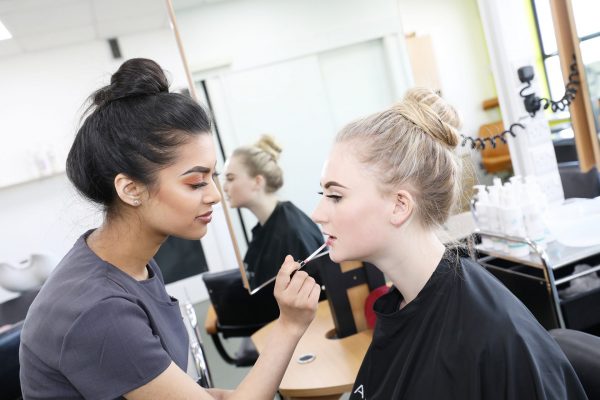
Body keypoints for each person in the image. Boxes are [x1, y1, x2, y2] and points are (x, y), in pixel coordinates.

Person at [19, 58, 321, 400]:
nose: (214, 196)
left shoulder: (133, 266)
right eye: (195, 183)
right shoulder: (98, 310)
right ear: (130, 189)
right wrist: (290, 325)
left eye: (214, 178)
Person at [311, 88, 588, 400]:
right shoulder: (401, 306)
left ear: (400, 206)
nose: (317, 214)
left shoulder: (494, 335)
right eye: (323, 195)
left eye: (336, 196)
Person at [223, 135, 325, 290]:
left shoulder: (292, 233)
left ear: (257, 181)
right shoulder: (266, 229)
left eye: (230, 178)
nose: (224, 187)